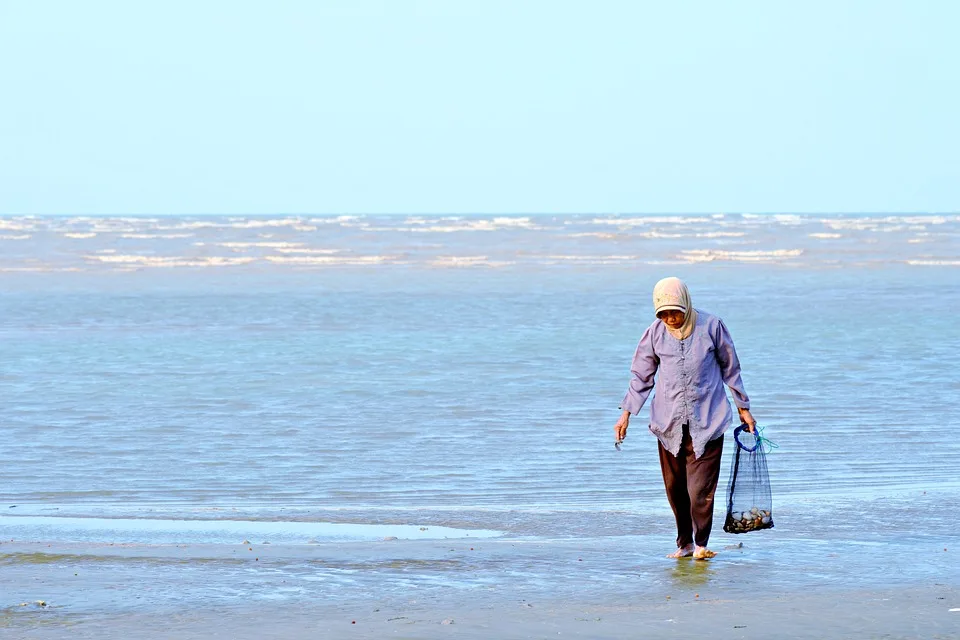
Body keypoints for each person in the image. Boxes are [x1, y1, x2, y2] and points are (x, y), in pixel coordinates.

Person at [614, 277, 756, 560]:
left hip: (708, 419)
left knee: (700, 489)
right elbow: (642, 376)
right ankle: (684, 543)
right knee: (675, 488)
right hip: (668, 422)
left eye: (675, 312)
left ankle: (701, 544)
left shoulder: (711, 326)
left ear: (686, 305)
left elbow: (731, 368)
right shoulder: (654, 333)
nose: (671, 319)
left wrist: (743, 407)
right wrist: (626, 415)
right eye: (664, 313)